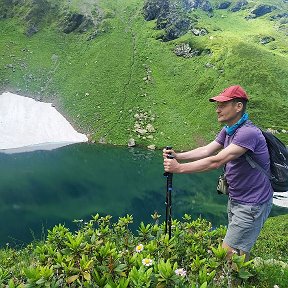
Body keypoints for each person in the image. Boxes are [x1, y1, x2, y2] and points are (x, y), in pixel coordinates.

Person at [163, 85, 273, 261]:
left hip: (252, 203)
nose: (217, 110)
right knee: (240, 250)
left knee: (226, 254)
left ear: (238, 106)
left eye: (223, 104)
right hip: (237, 199)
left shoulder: (247, 133)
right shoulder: (229, 129)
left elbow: (216, 161)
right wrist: (179, 156)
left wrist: (179, 168)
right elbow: (207, 150)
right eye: (217, 105)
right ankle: (242, 280)